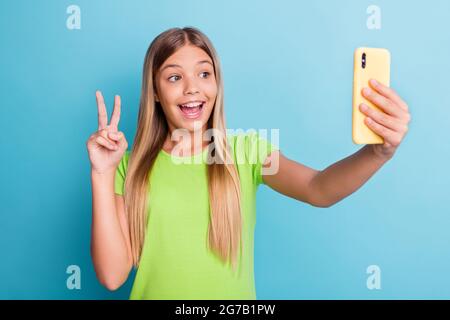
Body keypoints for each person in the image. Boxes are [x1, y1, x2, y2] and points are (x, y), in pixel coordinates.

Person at [86, 27, 411, 299]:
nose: (192, 88)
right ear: (155, 91)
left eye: (204, 73)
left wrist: (377, 153)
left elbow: (318, 188)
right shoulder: (129, 168)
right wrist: (102, 172)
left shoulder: (247, 153)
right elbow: (113, 276)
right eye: (174, 77)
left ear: (216, 83)